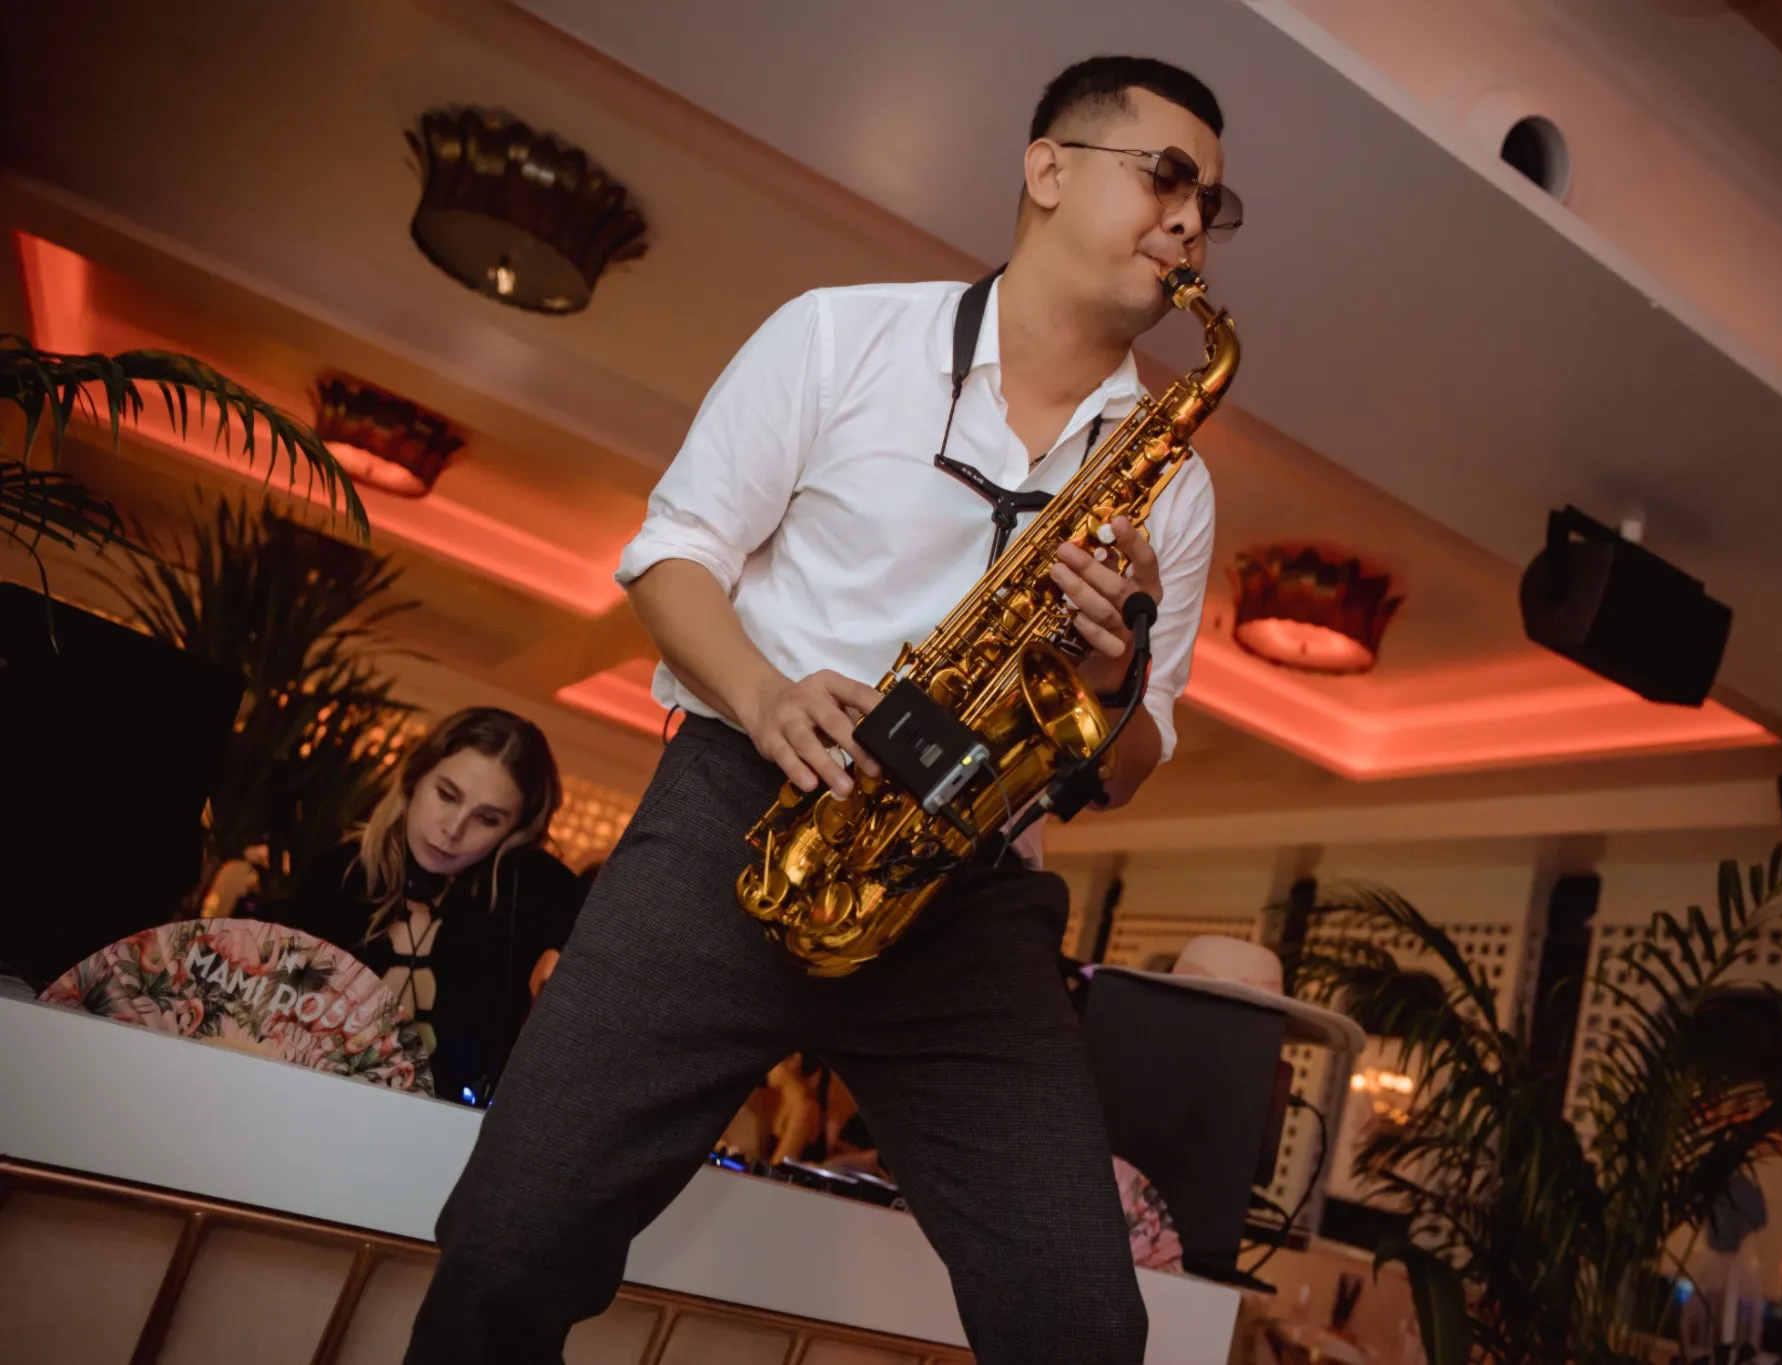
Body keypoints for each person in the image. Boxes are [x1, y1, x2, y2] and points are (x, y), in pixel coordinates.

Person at [406, 55, 1237, 1365]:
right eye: (1168, 177)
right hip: (742, 817)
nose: (1193, 220)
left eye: (1214, 204)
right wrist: (764, 692)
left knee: (1082, 1322)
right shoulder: (839, 335)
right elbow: (674, 552)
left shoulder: (1172, 493)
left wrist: (1105, 676)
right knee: (514, 1235)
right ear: (1049, 168)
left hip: (969, 896)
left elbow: (1129, 763)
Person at [277, 706, 584, 1106]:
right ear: (414, 778)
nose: (453, 830)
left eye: (488, 819)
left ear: (516, 832)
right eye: (446, 795)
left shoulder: (527, 904)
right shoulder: (337, 874)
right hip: (304, 1103)